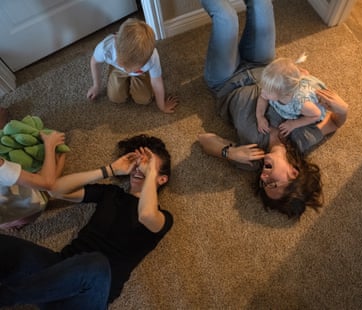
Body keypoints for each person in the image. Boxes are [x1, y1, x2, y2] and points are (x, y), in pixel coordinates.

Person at [198, 0, 348, 218]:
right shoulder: (302, 138)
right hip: (264, 67)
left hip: (226, 81)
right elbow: (334, 122)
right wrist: (343, 109)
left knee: (226, 18)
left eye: (263, 185)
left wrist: (229, 152)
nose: (264, 179)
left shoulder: (251, 160)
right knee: (262, 3)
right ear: (293, 173)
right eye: (273, 183)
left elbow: (204, 139)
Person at [0, 134, 173, 309]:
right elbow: (57, 190)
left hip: (89, 291)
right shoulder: (111, 194)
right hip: (56, 271)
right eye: (138, 163)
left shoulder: (163, 217)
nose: (139, 168)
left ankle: (6, 296)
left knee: (96, 264)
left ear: (162, 178)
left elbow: (146, 215)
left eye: (148, 164)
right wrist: (110, 169)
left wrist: (150, 172)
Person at [86, 18, 178, 113]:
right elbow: (94, 62)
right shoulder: (106, 47)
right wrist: (96, 86)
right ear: (116, 40)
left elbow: (157, 82)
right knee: (115, 97)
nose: (128, 70)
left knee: (143, 99)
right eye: (122, 63)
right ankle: (121, 71)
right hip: (118, 70)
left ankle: (138, 76)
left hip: (140, 73)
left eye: (131, 68)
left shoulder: (152, 58)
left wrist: (162, 106)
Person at [0, 130, 66, 230]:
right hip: (30, 203)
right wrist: (50, 144)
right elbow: (47, 183)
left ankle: (10, 223)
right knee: (58, 165)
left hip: (8, 212)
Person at [257, 57, 327, 137]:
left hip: (312, 92)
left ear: (285, 94)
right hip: (293, 87)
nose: (262, 91)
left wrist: (294, 124)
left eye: (267, 91)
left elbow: (316, 114)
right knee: (293, 77)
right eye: (263, 87)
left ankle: (304, 75)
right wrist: (260, 116)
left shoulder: (301, 103)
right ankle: (301, 73)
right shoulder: (271, 92)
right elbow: (262, 98)